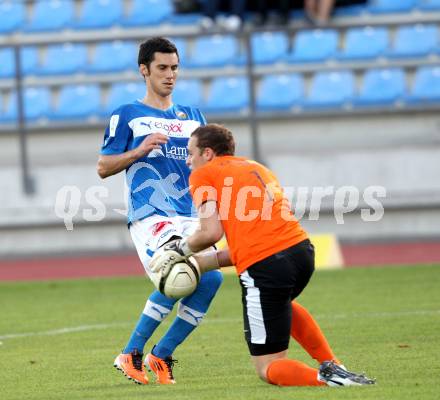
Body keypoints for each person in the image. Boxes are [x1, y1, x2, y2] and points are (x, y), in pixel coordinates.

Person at [151, 124, 375, 386]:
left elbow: (210, 233)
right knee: (281, 304)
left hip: (268, 265)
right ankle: (334, 365)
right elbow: (253, 242)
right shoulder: (256, 167)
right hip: (302, 252)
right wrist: (200, 264)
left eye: (190, 153)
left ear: (208, 153)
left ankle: (328, 379)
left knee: (268, 366)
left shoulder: (204, 174)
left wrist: (178, 249)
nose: (188, 160)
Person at [96, 37, 223, 385]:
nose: (171, 75)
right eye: (163, 68)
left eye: (175, 68)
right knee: (177, 273)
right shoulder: (127, 115)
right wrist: (139, 150)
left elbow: (206, 166)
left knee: (211, 278)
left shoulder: (193, 116)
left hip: (190, 211)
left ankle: (161, 355)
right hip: (151, 211)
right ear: (144, 70)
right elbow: (104, 167)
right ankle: (131, 353)